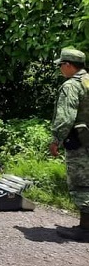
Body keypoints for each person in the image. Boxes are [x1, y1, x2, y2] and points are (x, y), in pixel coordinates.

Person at [50, 47, 89, 242]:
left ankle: (85, 229)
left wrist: (56, 139)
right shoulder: (88, 81)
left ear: (68, 65)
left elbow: (66, 117)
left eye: (61, 65)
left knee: (81, 184)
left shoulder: (71, 86)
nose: (60, 70)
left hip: (81, 142)